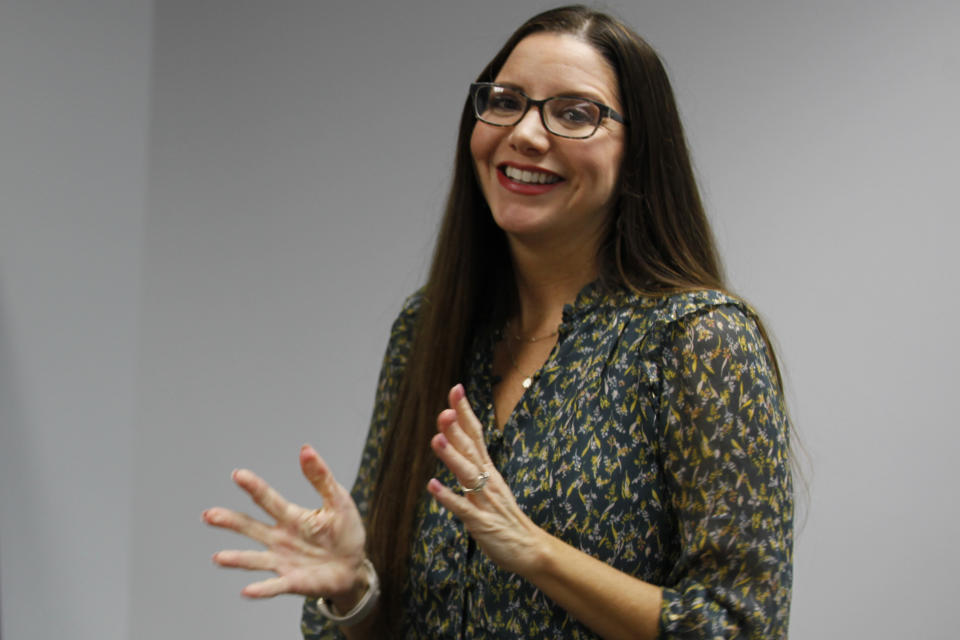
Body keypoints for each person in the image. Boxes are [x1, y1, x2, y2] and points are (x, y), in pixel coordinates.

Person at [203, 5, 794, 639]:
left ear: (640, 150)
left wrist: (533, 550)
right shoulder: (428, 328)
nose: (527, 135)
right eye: (506, 101)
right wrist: (353, 591)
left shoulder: (697, 340)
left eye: (574, 113)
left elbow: (741, 628)